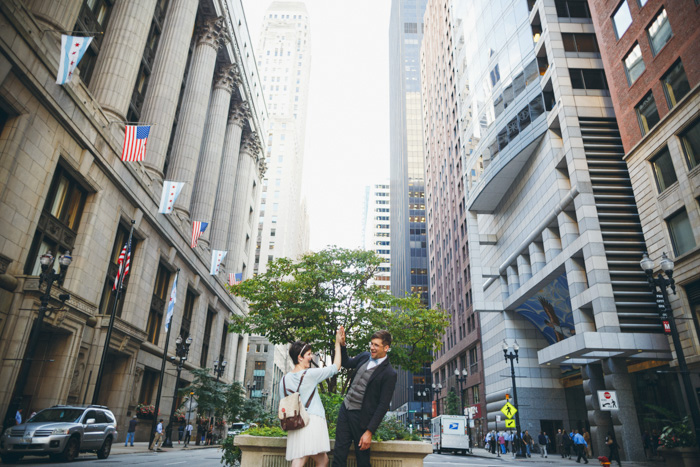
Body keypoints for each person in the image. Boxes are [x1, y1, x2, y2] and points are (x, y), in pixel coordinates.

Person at [332, 329, 398, 467]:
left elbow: (383, 405)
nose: (372, 348)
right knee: (338, 454)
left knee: (362, 460)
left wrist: (369, 431)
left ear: (386, 348)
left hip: (362, 418)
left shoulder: (389, 373)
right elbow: (346, 362)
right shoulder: (364, 356)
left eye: (376, 345)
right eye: (371, 344)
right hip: (346, 409)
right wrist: (343, 345)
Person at [280, 328, 342, 467]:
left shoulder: (284, 380)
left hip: (294, 422)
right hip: (312, 420)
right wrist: (337, 343)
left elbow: (283, 404)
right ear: (300, 357)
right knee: (306, 459)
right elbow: (336, 367)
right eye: (308, 354)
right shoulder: (310, 374)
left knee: (317, 459)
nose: (311, 356)